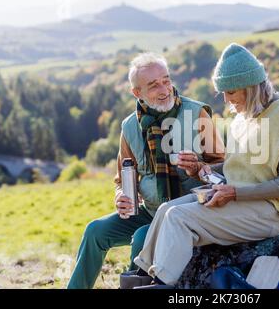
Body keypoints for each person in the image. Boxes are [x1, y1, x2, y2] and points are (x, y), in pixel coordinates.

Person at [133, 43, 279, 288]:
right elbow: (238, 167)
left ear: (249, 87)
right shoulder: (243, 118)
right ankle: (140, 276)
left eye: (231, 92)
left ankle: (162, 284)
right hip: (244, 201)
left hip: (274, 212)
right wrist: (202, 169)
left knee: (179, 218)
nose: (226, 99)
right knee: (166, 210)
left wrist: (233, 193)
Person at [67, 52, 225, 289]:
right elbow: (122, 178)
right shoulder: (130, 126)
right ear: (137, 93)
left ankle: (134, 286)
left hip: (187, 214)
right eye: (153, 85)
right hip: (150, 210)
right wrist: (121, 195)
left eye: (166, 80)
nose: (164, 89)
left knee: (142, 237)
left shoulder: (198, 114)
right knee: (95, 231)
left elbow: (224, 170)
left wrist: (199, 168)